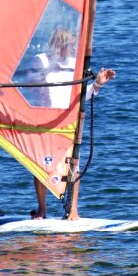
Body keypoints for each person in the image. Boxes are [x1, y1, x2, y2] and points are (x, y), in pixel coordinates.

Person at [31, 67, 116, 221]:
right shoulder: (42, 60)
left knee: (73, 165)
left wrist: (97, 84)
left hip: (68, 123)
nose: (64, 47)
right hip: (44, 120)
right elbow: (33, 86)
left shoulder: (76, 64)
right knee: (39, 166)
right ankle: (42, 209)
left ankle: (73, 210)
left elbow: (81, 96)